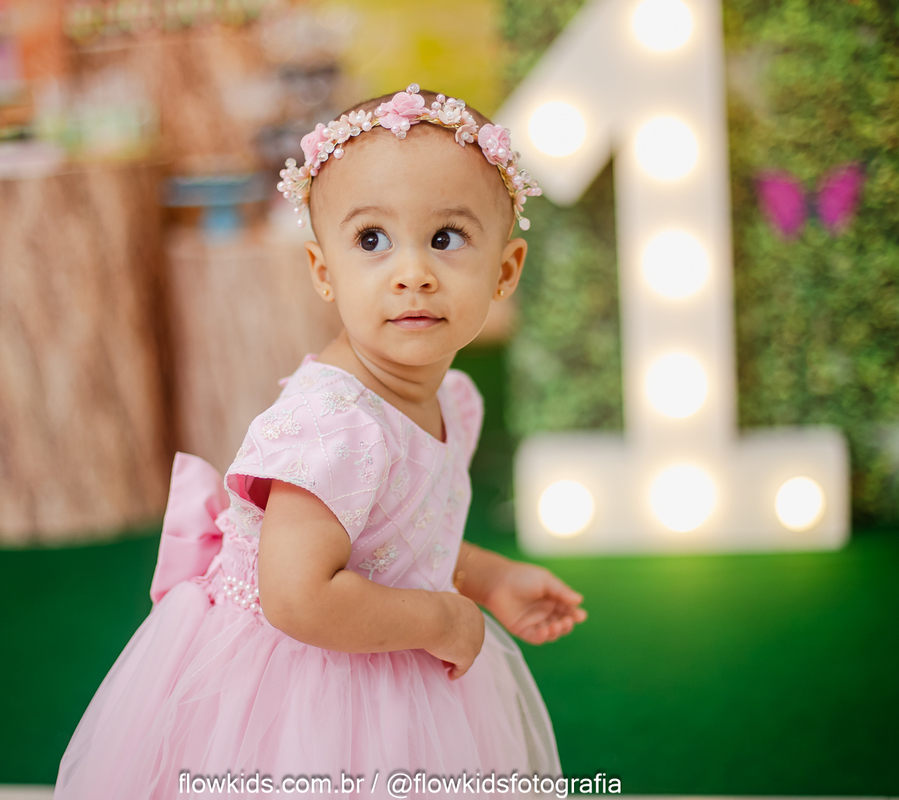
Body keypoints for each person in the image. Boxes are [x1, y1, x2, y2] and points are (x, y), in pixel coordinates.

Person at [53, 83, 587, 800]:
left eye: (446, 238)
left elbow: (398, 541)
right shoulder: (333, 424)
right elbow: (299, 598)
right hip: (304, 689)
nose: (413, 273)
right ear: (324, 272)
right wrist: (441, 618)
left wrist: (488, 579)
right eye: (372, 240)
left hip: (385, 657)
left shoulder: (450, 400)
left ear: (505, 271)